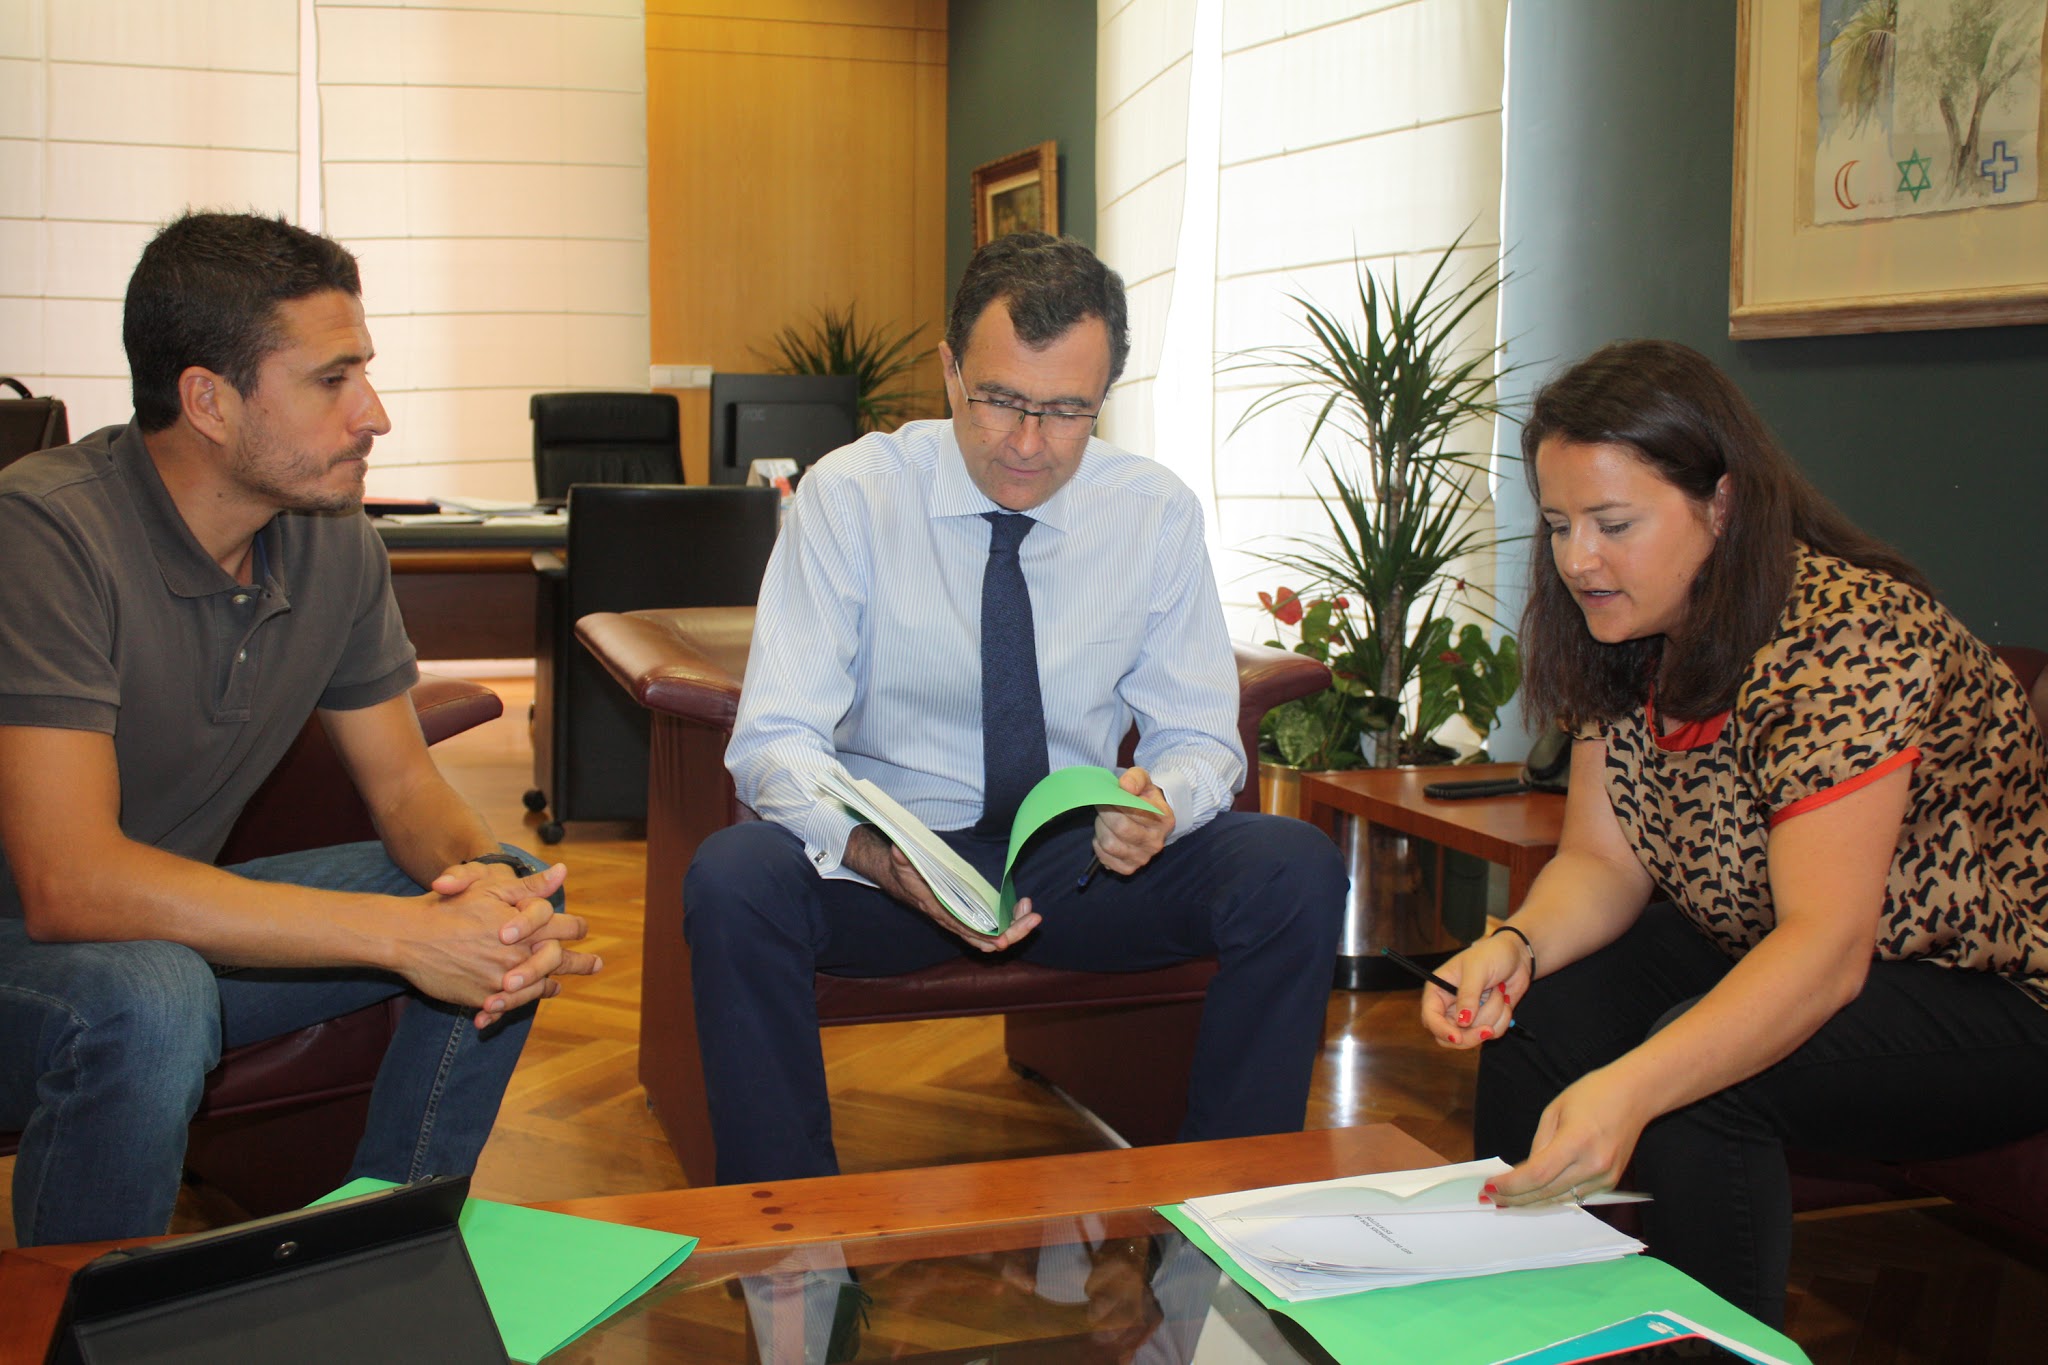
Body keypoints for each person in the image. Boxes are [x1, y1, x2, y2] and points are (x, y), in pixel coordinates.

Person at [684, 232, 1347, 1184]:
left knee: (1293, 868)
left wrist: (1157, 802)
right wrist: (879, 854)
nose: (1028, 443)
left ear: (1105, 396)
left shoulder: (1152, 512)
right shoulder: (853, 497)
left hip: (1080, 869)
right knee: (733, 878)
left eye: (1067, 411)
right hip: (896, 870)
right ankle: (797, 1249)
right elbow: (777, 738)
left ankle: (1222, 1218)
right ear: (950, 370)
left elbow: (1199, 734)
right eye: (999, 400)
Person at [0, 211, 601, 1247]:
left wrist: (485, 893)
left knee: (500, 895)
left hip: (164, 943)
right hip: (34, 954)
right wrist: (402, 937)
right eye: (332, 380)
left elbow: (406, 791)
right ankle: (85, 1333)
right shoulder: (45, 532)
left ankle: (375, 1256)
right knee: (151, 995)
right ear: (209, 401)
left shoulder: (331, 538)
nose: (374, 415)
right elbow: (68, 885)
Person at [1421, 339, 2048, 1324]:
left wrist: (1629, 1087)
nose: (1577, 558)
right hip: (1768, 935)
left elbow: (1826, 949)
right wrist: (1513, 945)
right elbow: (1598, 860)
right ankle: (1526, 1323)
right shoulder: (1622, 626)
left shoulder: (1848, 637)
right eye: (1556, 525)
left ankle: (1699, 1349)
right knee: (1539, 1015)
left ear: (1719, 506)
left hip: (1990, 990)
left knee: (1693, 1078)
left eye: (1612, 523)